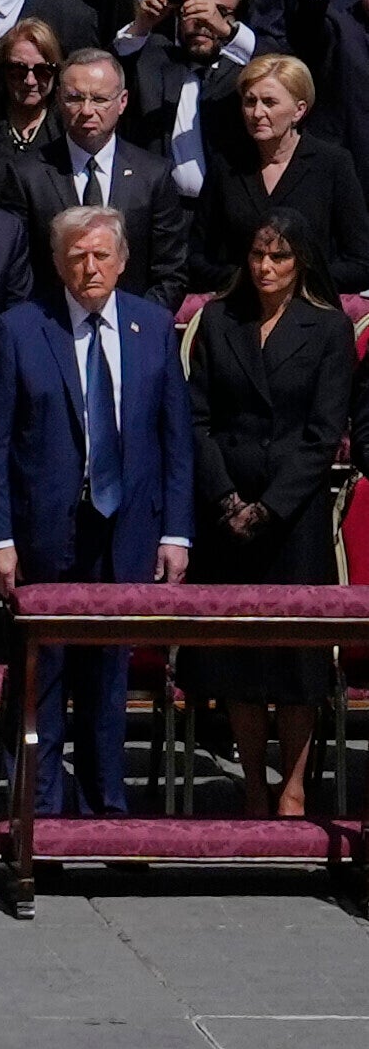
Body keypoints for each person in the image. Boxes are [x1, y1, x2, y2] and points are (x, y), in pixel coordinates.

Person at [0, 202, 192, 815]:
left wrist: (176, 534)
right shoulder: (19, 329)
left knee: (110, 672)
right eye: (78, 256)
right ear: (59, 263)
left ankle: (105, 804)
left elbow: (176, 443)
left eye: (101, 255)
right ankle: (36, 810)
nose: (90, 267)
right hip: (46, 530)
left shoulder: (152, 329)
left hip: (125, 530)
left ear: (123, 262)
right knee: (42, 671)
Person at [184, 217, 356, 814]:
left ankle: (295, 786)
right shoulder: (218, 319)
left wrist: (271, 506)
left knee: (295, 658)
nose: (265, 268)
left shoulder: (330, 329)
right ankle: (253, 785)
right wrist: (228, 500)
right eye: (258, 254)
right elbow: (198, 420)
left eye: (279, 257)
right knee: (240, 655)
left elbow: (323, 431)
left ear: (300, 263)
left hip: (293, 516)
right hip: (228, 510)